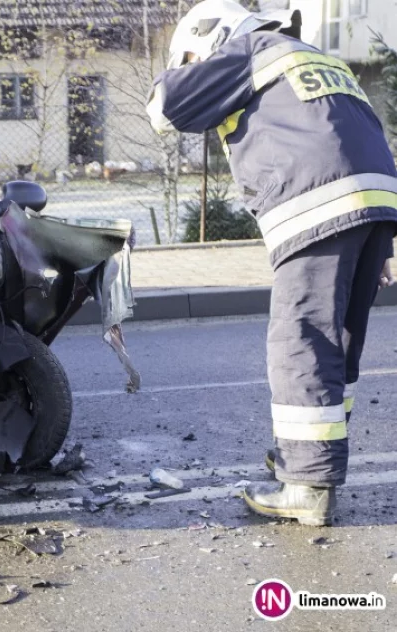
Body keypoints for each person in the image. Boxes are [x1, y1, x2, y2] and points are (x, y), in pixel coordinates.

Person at [147, 0, 397, 526]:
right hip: (375, 203)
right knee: (338, 342)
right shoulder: (313, 57)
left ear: (216, 37)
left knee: (301, 339)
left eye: (196, 56)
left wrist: (185, 73)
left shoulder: (249, 50)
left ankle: (307, 485)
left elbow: (165, 106)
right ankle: (308, 458)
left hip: (317, 202)